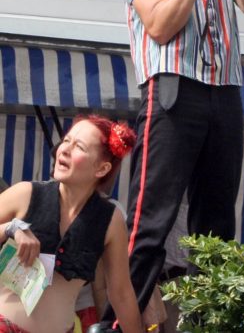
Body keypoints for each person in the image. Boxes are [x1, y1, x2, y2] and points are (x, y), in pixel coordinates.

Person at [105, 0, 244, 323]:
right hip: (173, 86)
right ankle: (118, 324)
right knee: (150, 222)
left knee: (216, 226)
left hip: (226, 91)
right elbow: (159, 25)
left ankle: (206, 324)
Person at [0, 116, 143, 332]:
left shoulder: (110, 220)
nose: (65, 150)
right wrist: (12, 228)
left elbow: (121, 293)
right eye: (66, 141)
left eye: (79, 147)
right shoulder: (26, 193)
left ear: (102, 169)